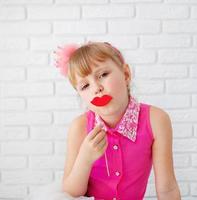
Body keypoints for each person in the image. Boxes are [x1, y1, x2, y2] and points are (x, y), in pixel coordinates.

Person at [54, 42, 181, 200]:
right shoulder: (79, 127)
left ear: (126, 74)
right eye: (85, 85)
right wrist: (85, 158)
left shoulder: (156, 120)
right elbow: (70, 192)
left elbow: (167, 189)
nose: (96, 88)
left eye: (103, 75)